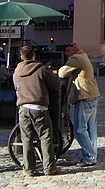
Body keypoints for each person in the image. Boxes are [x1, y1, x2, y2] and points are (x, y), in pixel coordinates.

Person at [13, 45, 63, 176]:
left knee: (27, 138)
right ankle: (49, 167)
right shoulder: (42, 69)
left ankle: (29, 169)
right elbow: (56, 84)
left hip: (23, 107)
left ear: (22, 57)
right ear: (34, 55)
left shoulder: (17, 70)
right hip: (39, 107)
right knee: (46, 137)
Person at [58, 43, 101, 167]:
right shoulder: (83, 56)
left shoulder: (76, 58)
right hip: (92, 95)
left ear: (75, 50)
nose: (65, 53)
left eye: (67, 50)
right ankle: (92, 155)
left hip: (84, 96)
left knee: (80, 129)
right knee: (91, 129)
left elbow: (61, 73)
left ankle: (89, 157)